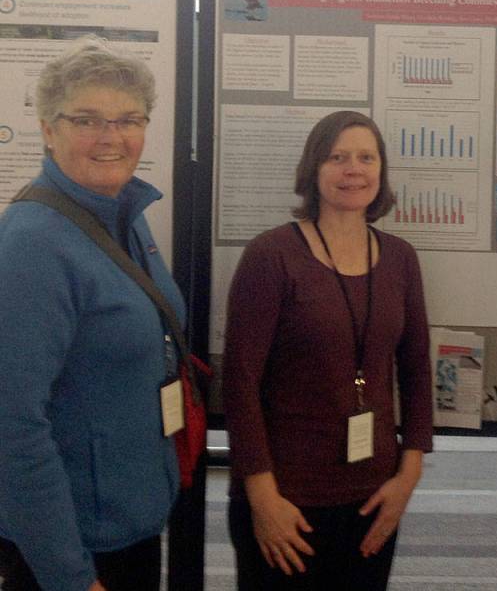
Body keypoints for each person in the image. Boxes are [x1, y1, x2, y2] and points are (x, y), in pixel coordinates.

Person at [0, 35, 184, 590]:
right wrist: (70, 575)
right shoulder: (33, 244)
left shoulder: (124, 213)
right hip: (71, 545)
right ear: (48, 129)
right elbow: (12, 425)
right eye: (87, 120)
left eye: (129, 119)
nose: (111, 137)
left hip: (127, 521)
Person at [223, 111, 433, 590]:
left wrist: (408, 476)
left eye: (366, 158)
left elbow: (417, 370)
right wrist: (262, 496)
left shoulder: (400, 258)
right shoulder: (272, 255)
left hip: (373, 493)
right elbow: (240, 381)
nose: (353, 169)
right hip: (286, 496)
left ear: (381, 170)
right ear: (314, 169)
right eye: (337, 157)